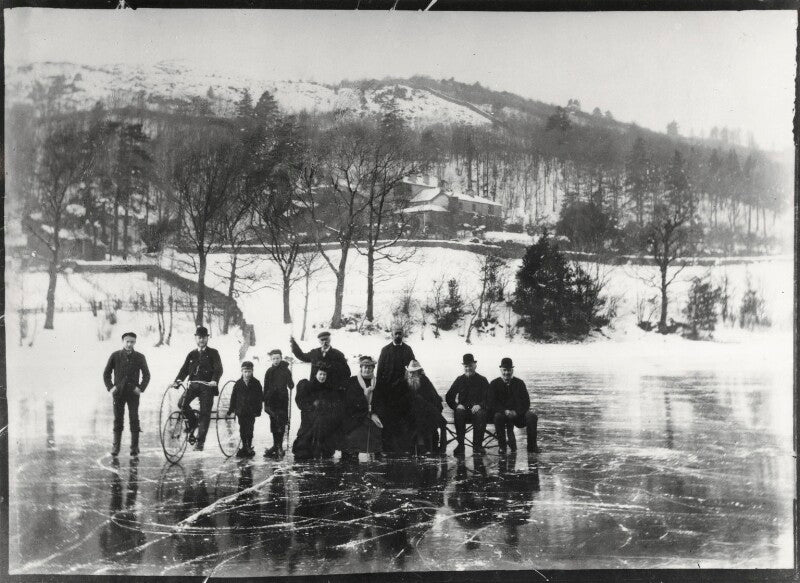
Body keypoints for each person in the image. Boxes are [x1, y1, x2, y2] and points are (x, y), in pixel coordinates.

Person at [172, 326, 224, 451]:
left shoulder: (213, 353)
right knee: (181, 404)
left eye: (204, 338)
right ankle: (193, 421)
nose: (201, 340)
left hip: (207, 387)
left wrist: (214, 380)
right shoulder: (192, 354)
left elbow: (218, 369)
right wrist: (178, 380)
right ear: (196, 338)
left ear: (207, 338)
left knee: (205, 413)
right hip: (193, 385)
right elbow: (184, 369)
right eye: (199, 338)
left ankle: (200, 442)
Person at [103, 332, 151, 457]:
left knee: (134, 419)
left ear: (135, 342)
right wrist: (111, 388)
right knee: (118, 420)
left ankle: (134, 447)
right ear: (123, 341)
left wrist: (140, 388)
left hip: (133, 394)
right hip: (118, 393)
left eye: (132, 342)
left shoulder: (140, 357)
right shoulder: (115, 356)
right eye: (127, 341)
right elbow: (106, 374)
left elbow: (147, 375)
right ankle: (116, 448)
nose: (129, 344)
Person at [291, 362, 346, 460]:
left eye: (324, 374)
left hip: (324, 420)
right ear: (315, 374)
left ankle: (322, 450)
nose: (322, 377)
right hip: (309, 418)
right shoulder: (307, 386)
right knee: (304, 450)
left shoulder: (329, 388)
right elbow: (300, 402)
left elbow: (335, 404)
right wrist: (312, 406)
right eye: (320, 374)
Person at [487, 357, 540, 453]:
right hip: (502, 415)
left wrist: (516, 412)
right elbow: (492, 403)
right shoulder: (494, 384)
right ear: (501, 370)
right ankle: (502, 447)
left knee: (531, 417)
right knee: (497, 416)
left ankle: (532, 447)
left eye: (509, 370)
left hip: (517, 416)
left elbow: (526, 402)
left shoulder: (519, 383)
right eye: (504, 370)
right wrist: (504, 411)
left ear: (512, 370)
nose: (507, 372)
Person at [445, 353, 489, 456]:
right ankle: (461, 445)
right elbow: (449, 396)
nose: (468, 368)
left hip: (477, 411)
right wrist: (456, 406)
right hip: (464, 411)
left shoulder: (482, 380)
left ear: (475, 365)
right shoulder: (459, 379)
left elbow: (489, 398)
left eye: (470, 366)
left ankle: (477, 445)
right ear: (463, 367)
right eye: (466, 366)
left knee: (481, 414)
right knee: (458, 412)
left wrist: (480, 405)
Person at [341, 356, 383, 460]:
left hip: (373, 414)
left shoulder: (378, 383)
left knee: (375, 428)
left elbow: (381, 401)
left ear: (373, 369)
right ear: (361, 368)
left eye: (369, 368)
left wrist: (373, 413)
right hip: (355, 414)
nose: (367, 369)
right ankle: (352, 453)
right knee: (355, 432)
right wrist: (364, 399)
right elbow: (350, 401)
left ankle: (375, 454)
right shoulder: (352, 381)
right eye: (365, 367)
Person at [402, 360, 447, 454]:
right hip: (409, 413)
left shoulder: (425, 381)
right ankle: (418, 447)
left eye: (414, 372)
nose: (411, 374)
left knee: (426, 417)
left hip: (426, 412)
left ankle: (431, 448)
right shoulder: (404, 383)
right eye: (410, 372)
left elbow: (435, 398)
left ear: (419, 372)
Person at [227, 361, 263, 458]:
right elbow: (233, 397)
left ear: (252, 371)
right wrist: (231, 409)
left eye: (249, 371)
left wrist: (258, 410)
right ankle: (244, 446)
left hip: (251, 411)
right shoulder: (238, 383)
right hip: (241, 411)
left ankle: (249, 446)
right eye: (245, 371)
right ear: (242, 371)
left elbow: (260, 398)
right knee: (242, 429)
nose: (247, 374)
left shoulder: (256, 383)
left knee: (250, 429)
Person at [263, 349, 294, 458]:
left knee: (281, 423)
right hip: (271, 401)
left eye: (277, 358)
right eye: (274, 358)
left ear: (281, 358)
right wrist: (264, 400)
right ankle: (275, 445)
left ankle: (279, 446)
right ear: (271, 359)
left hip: (282, 400)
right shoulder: (269, 371)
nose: (276, 360)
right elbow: (265, 386)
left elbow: (291, 385)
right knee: (274, 423)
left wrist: (291, 382)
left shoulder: (286, 370)